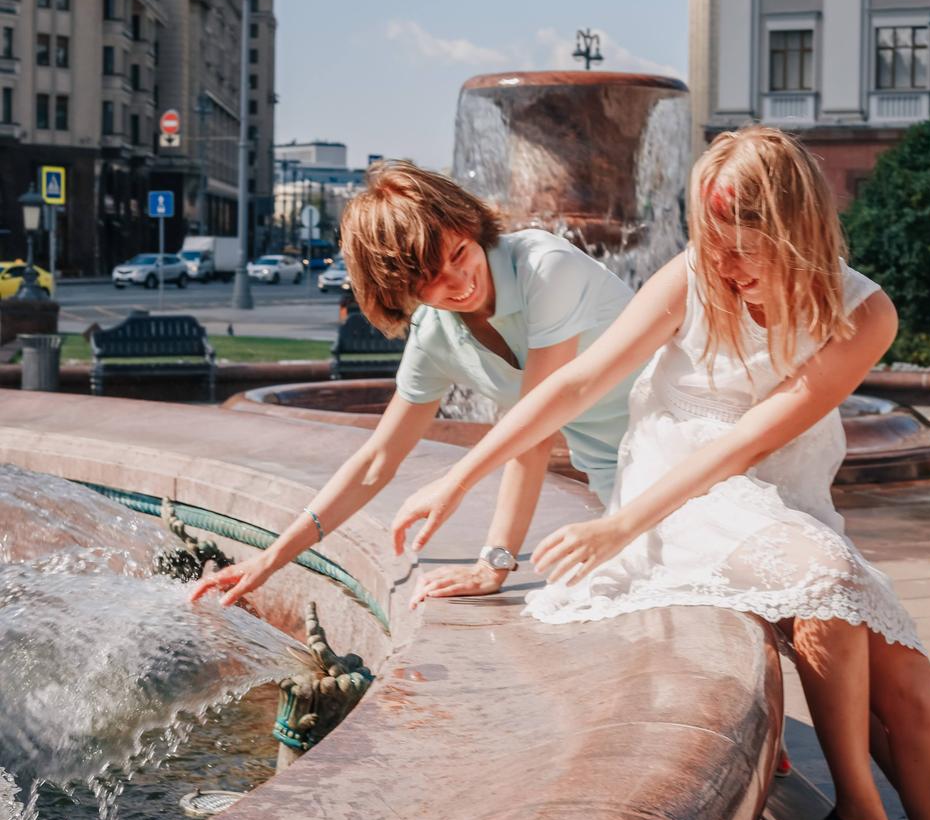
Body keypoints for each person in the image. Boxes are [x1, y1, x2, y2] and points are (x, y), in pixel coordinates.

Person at [392, 126, 930, 820]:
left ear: (794, 230)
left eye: (745, 251)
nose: (726, 267)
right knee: (826, 581)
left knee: (906, 682)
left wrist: (623, 524)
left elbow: (766, 434)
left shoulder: (866, 313)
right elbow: (569, 385)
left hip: (775, 493)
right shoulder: (689, 280)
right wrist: (458, 477)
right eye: (713, 245)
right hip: (676, 486)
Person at [191, 161, 639, 612]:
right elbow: (376, 461)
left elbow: (536, 425)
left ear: (472, 228)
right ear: (399, 290)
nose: (460, 283)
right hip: (614, 474)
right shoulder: (435, 334)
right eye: (431, 280)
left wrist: (489, 557)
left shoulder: (545, 267)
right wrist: (270, 559)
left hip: (673, 442)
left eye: (461, 253)